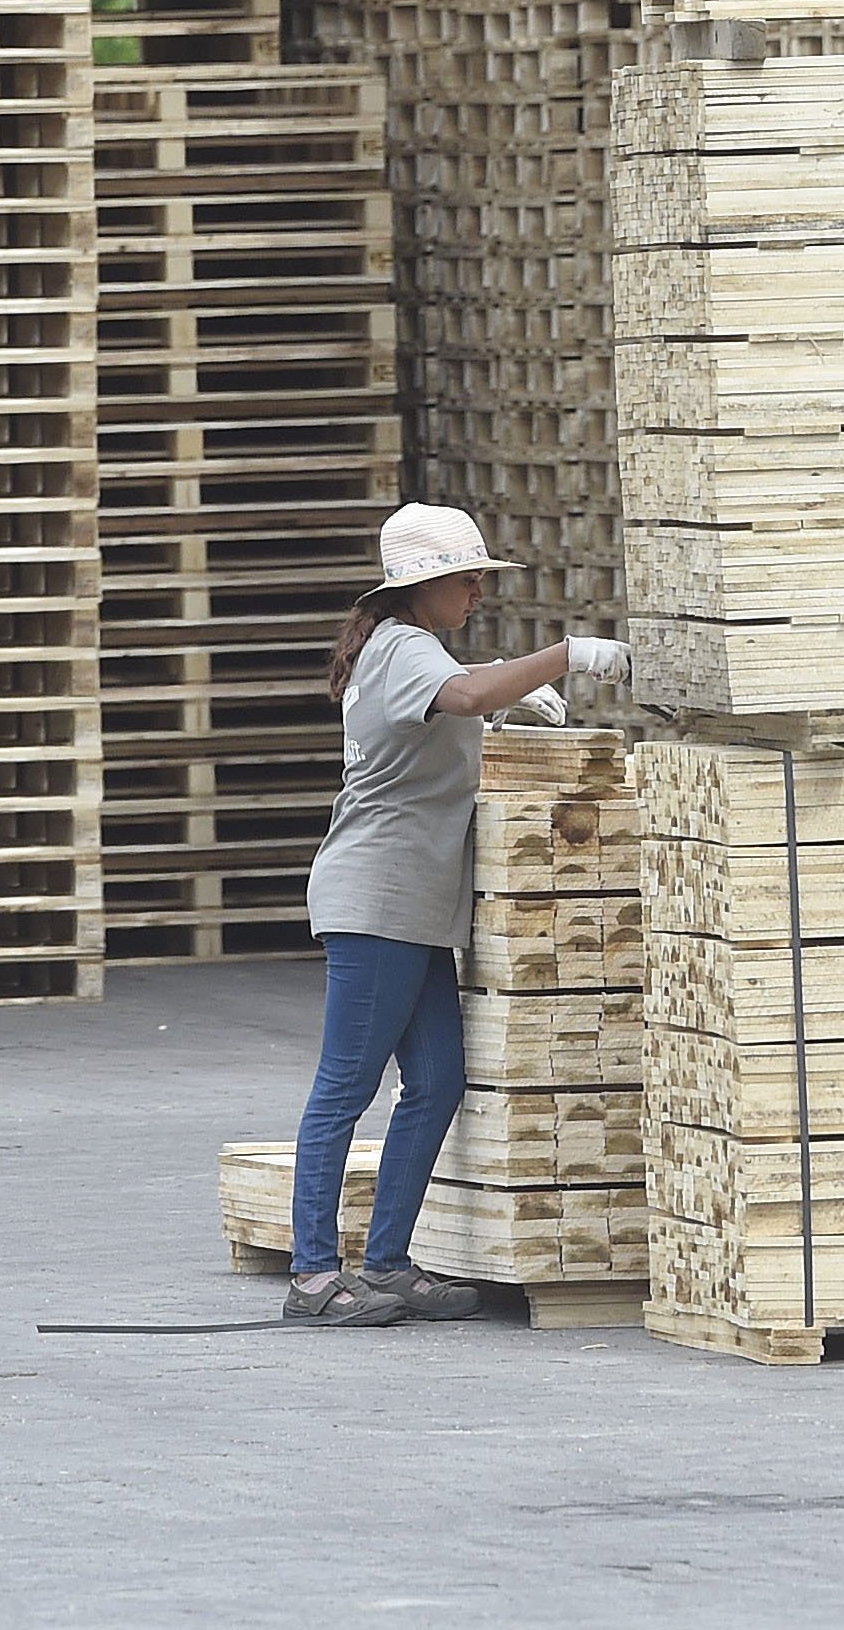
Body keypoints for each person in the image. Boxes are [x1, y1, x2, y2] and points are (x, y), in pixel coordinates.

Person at [283, 502, 629, 1326]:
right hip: (378, 901)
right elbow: (467, 694)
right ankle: (311, 1273)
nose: (478, 591)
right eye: (468, 578)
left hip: (415, 908)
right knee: (346, 1083)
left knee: (435, 1082)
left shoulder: (408, 648)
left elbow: (455, 710)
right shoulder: (403, 647)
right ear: (422, 584)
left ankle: (389, 1262)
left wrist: (510, 698)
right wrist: (563, 657)